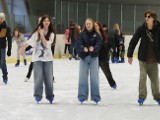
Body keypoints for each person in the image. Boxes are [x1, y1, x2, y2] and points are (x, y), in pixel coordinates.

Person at [19, 15, 56, 103]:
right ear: (42, 22)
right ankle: (38, 95)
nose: (46, 22)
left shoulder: (51, 34)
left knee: (49, 79)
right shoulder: (36, 33)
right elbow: (30, 42)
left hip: (48, 59)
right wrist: (22, 48)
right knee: (38, 78)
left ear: (50, 22)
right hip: (37, 59)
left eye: (48, 21)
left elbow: (46, 44)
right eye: (44, 21)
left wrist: (41, 34)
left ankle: (50, 95)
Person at [127, 10, 160, 105]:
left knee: (155, 81)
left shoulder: (158, 29)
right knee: (142, 77)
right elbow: (133, 41)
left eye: (149, 17)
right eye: (145, 16)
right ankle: (141, 97)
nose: (146, 18)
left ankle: (157, 97)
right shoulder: (141, 29)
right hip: (143, 59)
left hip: (154, 60)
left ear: (153, 18)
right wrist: (129, 55)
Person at [77, 18, 102, 104]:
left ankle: (95, 96)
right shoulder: (81, 34)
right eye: (87, 24)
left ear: (92, 25)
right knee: (82, 77)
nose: (88, 25)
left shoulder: (97, 35)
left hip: (94, 58)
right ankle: (82, 96)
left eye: (89, 23)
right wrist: (83, 48)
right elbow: (79, 43)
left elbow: (99, 43)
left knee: (94, 78)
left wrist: (94, 48)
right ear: (85, 25)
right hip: (83, 58)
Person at [95, 22, 117, 89]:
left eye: (97, 26)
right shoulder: (92, 35)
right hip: (95, 57)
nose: (95, 27)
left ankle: (112, 84)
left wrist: (111, 50)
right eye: (94, 26)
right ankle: (94, 85)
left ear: (99, 27)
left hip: (103, 56)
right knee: (94, 73)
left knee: (107, 72)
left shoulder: (103, 34)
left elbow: (108, 44)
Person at [0, 13, 12, 84]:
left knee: (2, 62)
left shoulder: (7, 28)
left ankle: (5, 76)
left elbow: (9, 39)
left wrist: (9, 50)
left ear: (2, 19)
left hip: (2, 48)